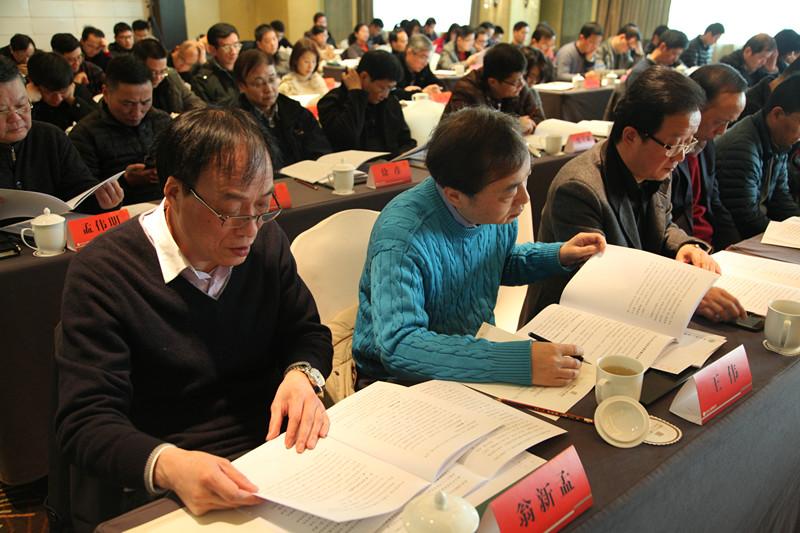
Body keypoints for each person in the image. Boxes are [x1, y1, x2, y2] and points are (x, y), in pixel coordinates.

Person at [54, 106, 332, 531]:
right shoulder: (104, 272)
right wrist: (169, 466)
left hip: (274, 451)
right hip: (171, 475)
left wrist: (301, 375)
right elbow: (85, 421)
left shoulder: (265, 242)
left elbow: (306, 331)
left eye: (262, 206)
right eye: (231, 210)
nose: (250, 229)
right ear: (174, 191)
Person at [352, 106, 604, 387]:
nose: (524, 199)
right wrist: (517, 361)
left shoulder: (498, 212)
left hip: (472, 351)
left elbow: (494, 263)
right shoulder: (402, 237)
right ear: (455, 196)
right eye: (510, 191)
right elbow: (400, 347)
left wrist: (557, 255)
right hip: (397, 377)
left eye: (526, 179)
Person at [519, 66, 746, 326]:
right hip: (569, 322)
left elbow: (663, 225)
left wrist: (685, 246)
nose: (681, 156)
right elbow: (600, 278)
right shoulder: (579, 187)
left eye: (688, 143)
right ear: (631, 136)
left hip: (634, 311)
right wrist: (684, 295)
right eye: (675, 144)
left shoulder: (659, 164)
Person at [0, 57, 122, 212]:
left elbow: (80, 191)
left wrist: (105, 202)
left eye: (21, 105)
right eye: (1, 110)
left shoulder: (50, 137)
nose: (15, 118)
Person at [70, 56, 171, 205]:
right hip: (119, 211)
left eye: (145, 102)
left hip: (166, 204)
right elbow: (82, 198)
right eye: (127, 103)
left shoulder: (163, 121)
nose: (137, 112)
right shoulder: (84, 134)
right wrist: (126, 182)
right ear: (106, 93)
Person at [670, 64, 746, 252]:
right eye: (719, 122)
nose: (722, 131)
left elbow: (714, 203)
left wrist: (737, 248)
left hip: (711, 247)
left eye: (729, 123)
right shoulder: (668, 149)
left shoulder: (706, 144)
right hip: (685, 248)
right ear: (695, 107)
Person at [716, 76, 800, 239]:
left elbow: (780, 199)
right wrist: (785, 237)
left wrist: (796, 228)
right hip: (735, 236)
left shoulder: (778, 140)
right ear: (777, 114)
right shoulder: (742, 148)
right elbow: (746, 218)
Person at [236, 50, 331, 169]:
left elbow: (321, 150)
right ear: (242, 86)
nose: (268, 89)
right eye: (259, 83)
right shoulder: (236, 122)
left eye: (272, 80)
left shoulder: (295, 110)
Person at [318, 50, 415, 159]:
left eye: (390, 89)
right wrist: (356, 94)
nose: (386, 95)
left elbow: (406, 140)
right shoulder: (331, 102)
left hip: (390, 165)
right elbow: (348, 137)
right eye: (383, 89)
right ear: (364, 77)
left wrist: (404, 153)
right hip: (352, 167)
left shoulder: (390, 101)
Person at [445, 43, 545, 133]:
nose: (521, 85)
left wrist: (525, 125)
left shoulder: (518, 85)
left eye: (522, 78)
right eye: (515, 82)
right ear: (493, 82)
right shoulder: (466, 90)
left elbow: (538, 118)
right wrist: (513, 125)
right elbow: (466, 132)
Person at [27, 51, 97, 131]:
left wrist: (72, 100)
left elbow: (98, 122)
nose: (58, 99)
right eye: (50, 93)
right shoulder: (27, 96)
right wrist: (27, 102)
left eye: (63, 91)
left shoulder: (75, 89)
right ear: (33, 83)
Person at [132, 38, 204, 114]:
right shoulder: (131, 89)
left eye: (162, 71)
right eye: (153, 72)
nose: (158, 77)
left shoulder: (171, 76)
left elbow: (193, 101)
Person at [192, 23, 242, 106]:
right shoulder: (202, 80)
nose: (233, 52)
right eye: (227, 47)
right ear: (212, 49)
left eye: (236, 45)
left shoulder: (246, 69)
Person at [396, 34, 442, 100]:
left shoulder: (424, 66)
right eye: (423, 57)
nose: (425, 63)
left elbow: (438, 84)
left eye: (427, 58)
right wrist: (421, 92)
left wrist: (435, 88)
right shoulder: (396, 65)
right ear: (409, 52)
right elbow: (394, 93)